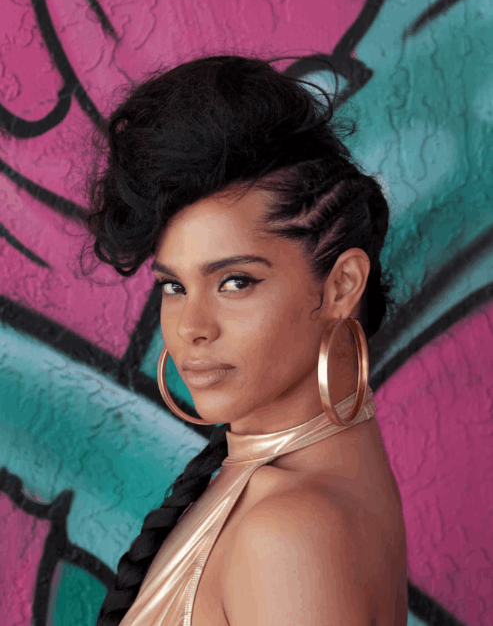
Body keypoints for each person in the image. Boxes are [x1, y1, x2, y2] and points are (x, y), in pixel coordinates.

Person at [85, 55, 408, 626]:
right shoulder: (295, 486)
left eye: (235, 282)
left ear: (342, 285)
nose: (192, 328)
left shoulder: (286, 534)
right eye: (174, 286)